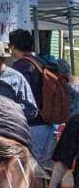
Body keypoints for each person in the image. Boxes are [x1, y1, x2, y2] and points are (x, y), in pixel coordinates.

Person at [9, 28, 59, 171]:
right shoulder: (41, 62)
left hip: (31, 125)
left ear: (13, 46)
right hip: (47, 124)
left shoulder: (20, 66)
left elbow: (17, 97)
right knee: (42, 169)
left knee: (28, 170)